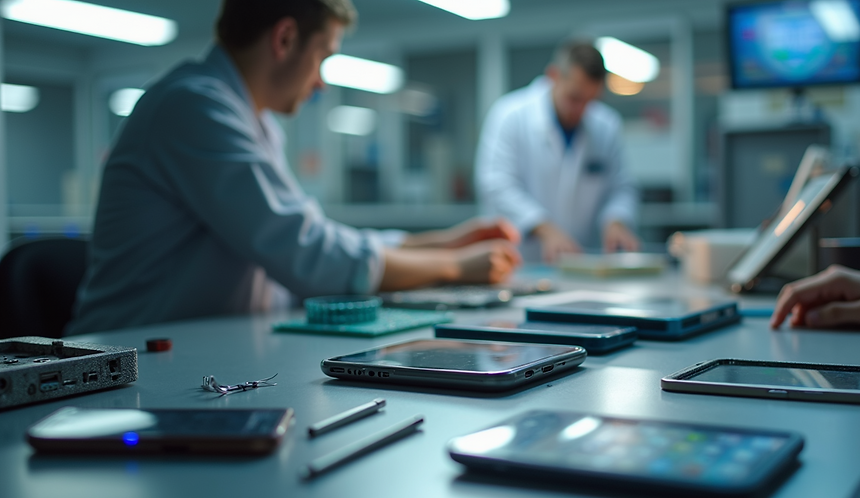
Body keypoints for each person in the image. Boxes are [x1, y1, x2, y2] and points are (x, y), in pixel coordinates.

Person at [68, 0, 521, 335]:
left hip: (196, 351)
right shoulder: (194, 106)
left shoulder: (252, 119)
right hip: (125, 364)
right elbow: (308, 255)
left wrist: (443, 240)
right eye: (323, 57)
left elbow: (310, 237)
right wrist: (454, 266)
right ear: (285, 40)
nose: (322, 82)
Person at [475, 39, 640, 264]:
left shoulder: (606, 124)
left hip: (581, 260)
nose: (581, 109)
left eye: (590, 101)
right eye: (574, 98)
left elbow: (621, 187)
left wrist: (616, 221)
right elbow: (496, 184)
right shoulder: (510, 115)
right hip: (522, 259)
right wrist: (544, 228)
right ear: (553, 76)